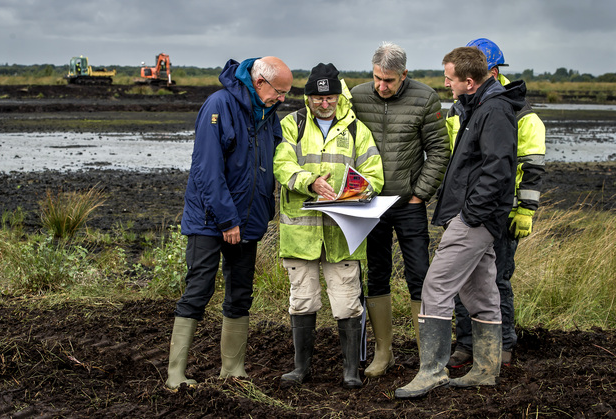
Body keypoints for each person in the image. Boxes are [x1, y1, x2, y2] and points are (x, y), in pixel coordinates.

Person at [395, 46, 526, 398]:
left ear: (469, 81)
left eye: (449, 79)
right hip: (476, 217)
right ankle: (485, 370)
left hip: (475, 219)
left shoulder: (494, 110)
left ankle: (432, 371)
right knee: (480, 293)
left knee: (435, 286)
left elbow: (498, 170)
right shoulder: (478, 106)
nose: (445, 84)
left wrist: (470, 215)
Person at [165, 56, 293, 390]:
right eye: (279, 92)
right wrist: (226, 220)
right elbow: (207, 169)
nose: (283, 99)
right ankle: (175, 375)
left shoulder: (268, 114)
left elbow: (271, 162)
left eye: (286, 93)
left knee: (240, 295)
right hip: (210, 221)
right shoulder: (218, 105)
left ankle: (233, 370)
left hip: (248, 222)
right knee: (198, 291)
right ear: (260, 82)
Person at [274, 63, 384, 389]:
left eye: (330, 96)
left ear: (339, 96)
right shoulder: (290, 125)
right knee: (302, 300)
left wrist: (357, 191)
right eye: (318, 97)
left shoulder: (357, 131)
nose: (325, 103)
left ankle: (351, 371)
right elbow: (282, 165)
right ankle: (301, 369)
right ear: (308, 97)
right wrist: (311, 183)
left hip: (342, 235)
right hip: (301, 233)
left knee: (348, 301)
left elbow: (374, 175)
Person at [350, 42, 449, 378]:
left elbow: (438, 150)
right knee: (376, 273)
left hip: (408, 204)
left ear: (404, 75)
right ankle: (383, 353)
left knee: (420, 275)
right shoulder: (357, 96)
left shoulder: (426, 98)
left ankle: (428, 356)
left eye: (389, 80)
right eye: (377, 78)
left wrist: (420, 194)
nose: (382, 86)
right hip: (370, 204)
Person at [447, 38, 546, 369]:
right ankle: (466, 344)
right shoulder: (460, 107)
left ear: (490, 70)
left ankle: (502, 347)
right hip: (466, 210)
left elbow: (531, 166)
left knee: (496, 280)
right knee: (463, 280)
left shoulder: (518, 112)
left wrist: (525, 210)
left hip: (501, 211)